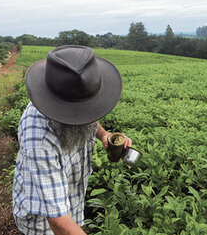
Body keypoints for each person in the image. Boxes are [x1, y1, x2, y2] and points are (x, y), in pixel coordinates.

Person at [13, 45, 132, 234]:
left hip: (71, 201)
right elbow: (59, 222)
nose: (86, 115)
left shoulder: (64, 96)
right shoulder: (40, 141)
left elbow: (88, 116)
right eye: (79, 109)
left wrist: (104, 135)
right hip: (43, 224)